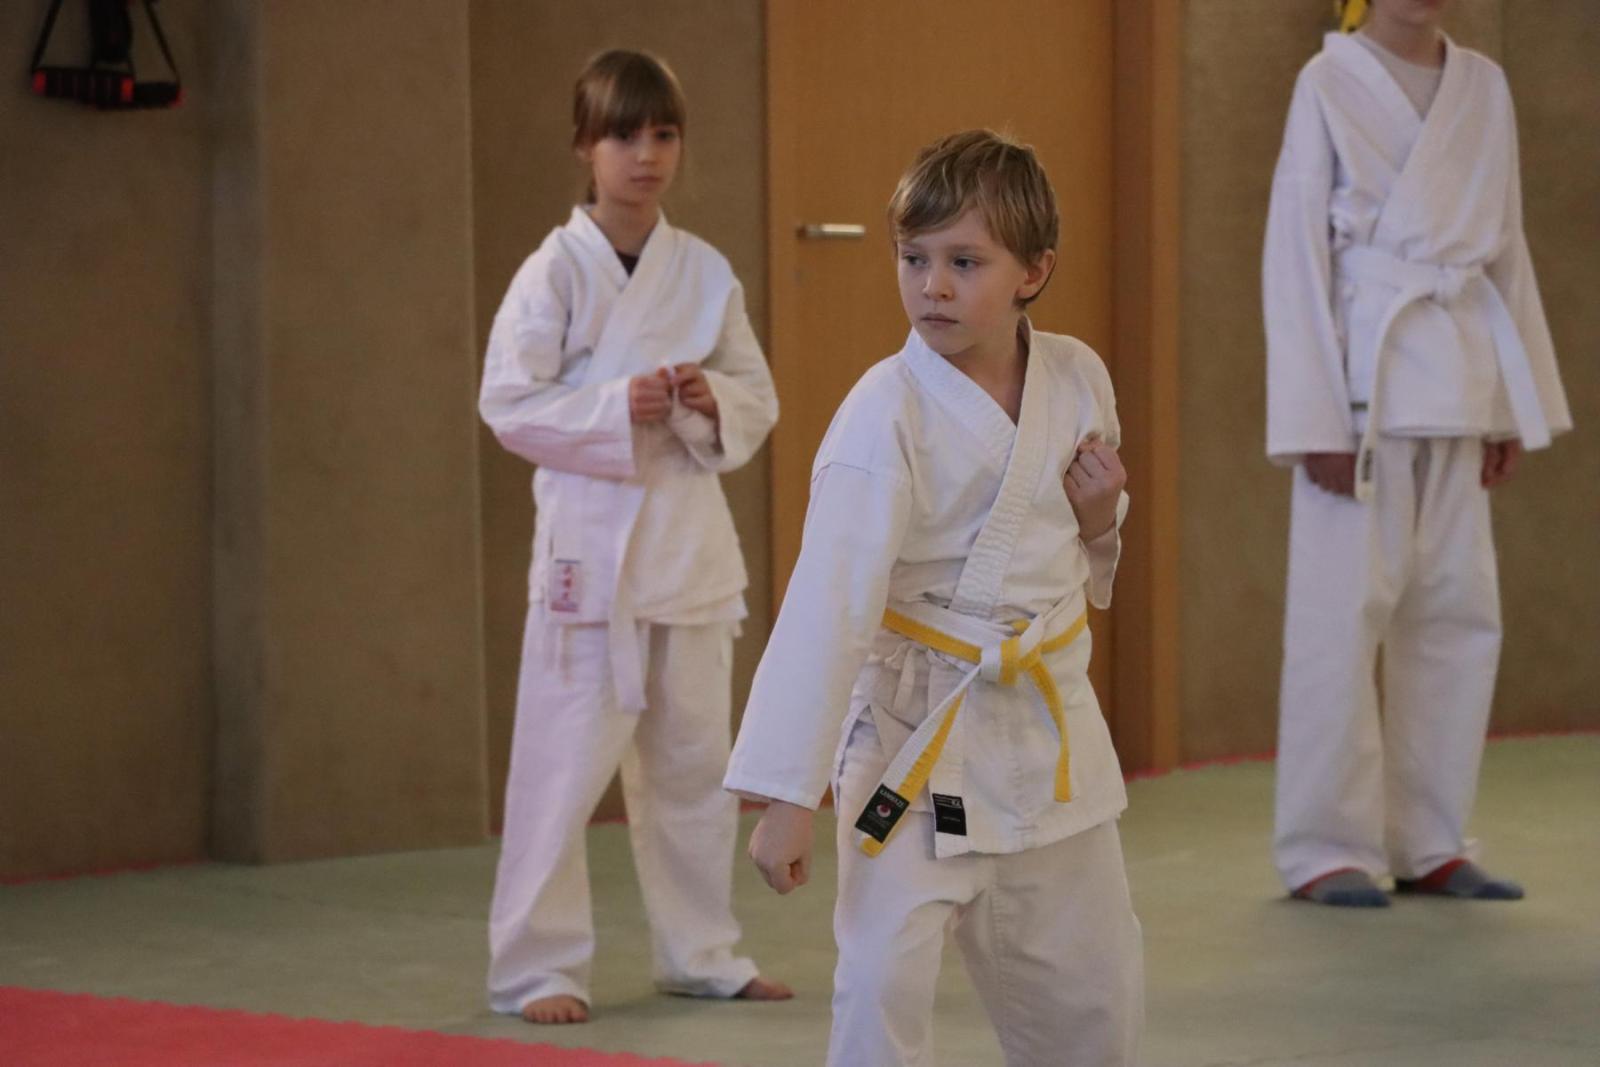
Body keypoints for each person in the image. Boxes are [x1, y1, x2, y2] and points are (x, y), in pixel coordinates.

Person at [724, 129, 1143, 1066]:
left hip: (1049, 740)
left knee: (1091, 996)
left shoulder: (1078, 376)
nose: (933, 287)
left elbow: (1085, 544)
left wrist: (1100, 516)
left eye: (965, 261)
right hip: (914, 740)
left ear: (1035, 271)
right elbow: (829, 604)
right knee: (880, 987)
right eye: (914, 259)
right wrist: (789, 794)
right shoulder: (883, 411)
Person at [479, 49, 787, 1023]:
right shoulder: (552, 271)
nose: (646, 154)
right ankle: (537, 966)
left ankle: (702, 951)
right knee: (560, 773)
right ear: (585, 146)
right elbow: (508, 403)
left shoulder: (704, 272)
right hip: (590, 559)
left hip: (688, 554)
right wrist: (618, 405)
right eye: (623, 135)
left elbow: (758, 395)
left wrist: (706, 397)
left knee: (696, 768)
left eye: (663, 134)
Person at [1264, 0, 1571, 907]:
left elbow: (1507, 246)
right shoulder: (1326, 80)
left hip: (1459, 378)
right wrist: (1314, 418)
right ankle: (1324, 847)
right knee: (1337, 624)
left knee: (1457, 616)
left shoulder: (1485, 85)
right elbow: (1295, 254)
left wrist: (1508, 405)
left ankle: (1431, 837)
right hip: (1362, 392)